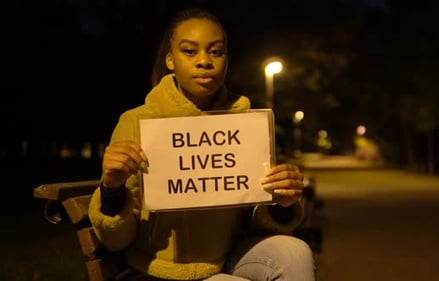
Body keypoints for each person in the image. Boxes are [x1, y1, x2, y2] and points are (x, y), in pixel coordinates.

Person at [88, 7, 316, 281]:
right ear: (170, 60)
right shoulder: (137, 123)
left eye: (216, 51)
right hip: (156, 270)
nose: (204, 61)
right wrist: (112, 188)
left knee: (295, 253)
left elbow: (252, 215)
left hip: (228, 257)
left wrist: (282, 202)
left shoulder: (244, 124)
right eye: (190, 51)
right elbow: (116, 240)